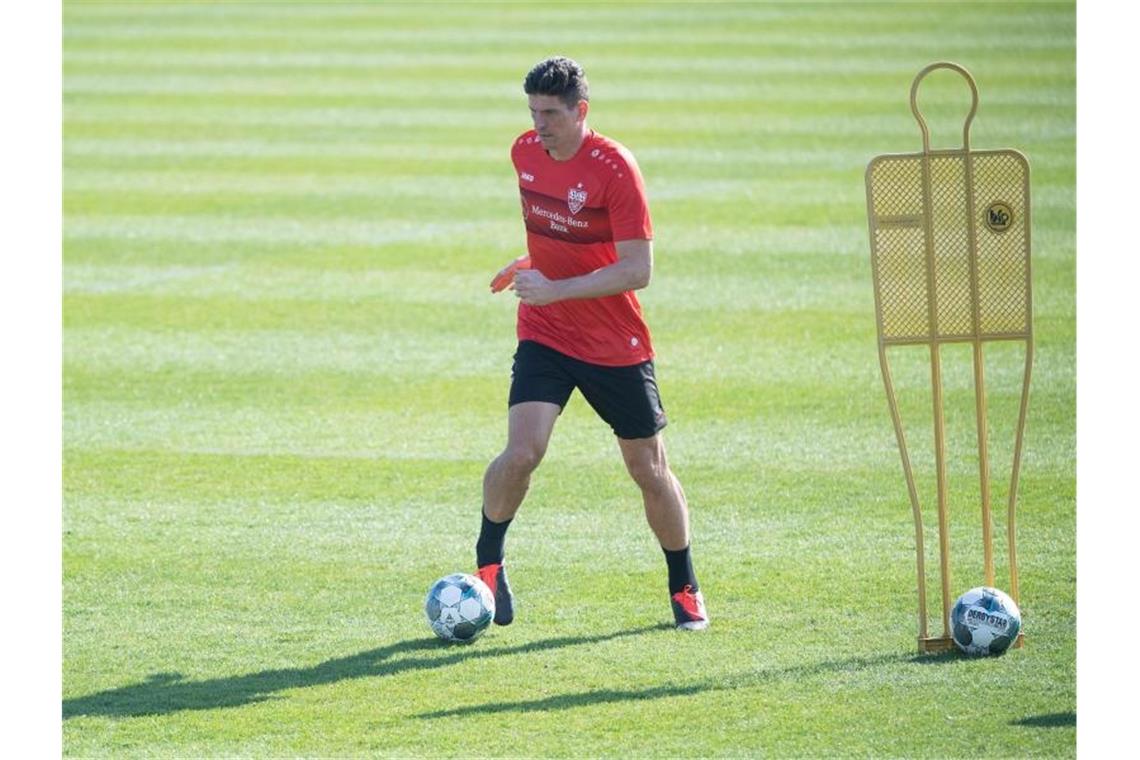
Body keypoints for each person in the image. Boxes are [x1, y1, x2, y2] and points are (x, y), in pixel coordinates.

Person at [475, 56, 708, 631]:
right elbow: (567, 235)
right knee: (523, 452)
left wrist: (554, 287)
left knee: (649, 470)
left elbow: (636, 269)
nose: (539, 125)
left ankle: (684, 587)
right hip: (546, 332)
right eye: (532, 112)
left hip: (614, 342)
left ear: (582, 111)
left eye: (551, 114)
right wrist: (533, 264)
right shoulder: (523, 152)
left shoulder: (616, 169)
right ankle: (487, 568)